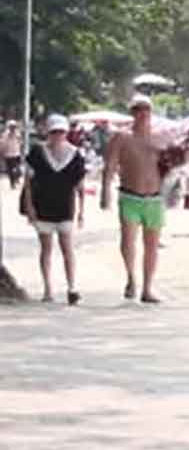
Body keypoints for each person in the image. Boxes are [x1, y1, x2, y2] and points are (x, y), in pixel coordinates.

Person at [101, 94, 171, 304]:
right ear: (132, 113)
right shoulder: (122, 137)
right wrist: (105, 191)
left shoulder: (160, 138)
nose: (142, 114)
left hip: (154, 198)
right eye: (138, 110)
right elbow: (111, 165)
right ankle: (131, 277)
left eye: (146, 110)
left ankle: (147, 288)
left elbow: (171, 166)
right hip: (130, 195)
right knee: (128, 240)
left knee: (152, 245)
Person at [21, 115, 87, 305]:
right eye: (54, 132)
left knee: (67, 248)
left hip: (65, 208)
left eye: (61, 132)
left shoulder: (75, 155)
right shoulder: (37, 153)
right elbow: (28, 183)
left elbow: (80, 186)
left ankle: (72, 287)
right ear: (48, 133)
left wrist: (82, 211)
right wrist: (29, 206)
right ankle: (48, 289)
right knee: (46, 249)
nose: (58, 136)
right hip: (43, 207)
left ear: (66, 133)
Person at [2, 121, 21, 190]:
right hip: (8, 155)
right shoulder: (5, 135)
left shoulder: (17, 133)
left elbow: (20, 142)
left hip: (16, 154)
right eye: (11, 126)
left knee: (17, 169)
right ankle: (12, 183)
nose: (13, 128)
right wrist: (2, 152)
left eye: (14, 126)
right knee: (10, 170)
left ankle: (17, 178)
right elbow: (3, 144)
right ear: (9, 127)